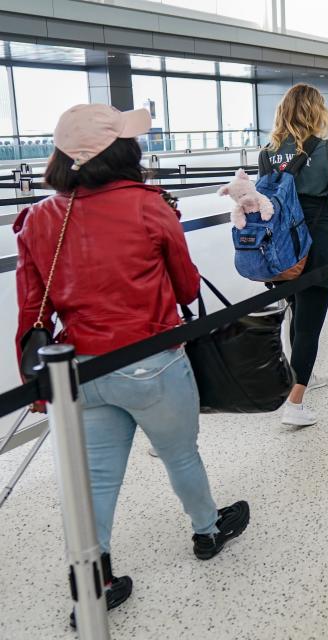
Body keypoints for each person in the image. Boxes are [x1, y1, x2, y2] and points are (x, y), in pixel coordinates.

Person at [14, 104, 249, 623]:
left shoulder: (39, 218)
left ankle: (95, 579)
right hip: (153, 361)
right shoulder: (147, 207)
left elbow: (33, 310)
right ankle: (208, 531)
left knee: (96, 477)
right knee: (180, 455)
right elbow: (186, 287)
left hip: (83, 369)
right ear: (120, 152)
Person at [259, 84, 328, 426]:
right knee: (309, 326)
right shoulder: (325, 149)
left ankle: (300, 375)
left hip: (281, 248)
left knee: (297, 312)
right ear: (316, 111)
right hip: (317, 244)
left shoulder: (267, 152)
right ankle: (294, 404)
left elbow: (267, 201)